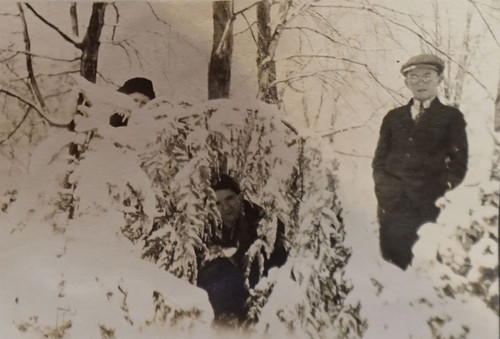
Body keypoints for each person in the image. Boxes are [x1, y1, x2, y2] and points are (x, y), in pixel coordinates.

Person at [372, 54, 468, 270]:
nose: (420, 82)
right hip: (394, 208)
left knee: (427, 271)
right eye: (414, 77)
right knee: (394, 269)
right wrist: (386, 191)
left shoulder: (451, 117)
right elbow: (379, 162)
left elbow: (458, 165)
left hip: (430, 209)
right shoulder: (393, 118)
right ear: (406, 82)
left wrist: (441, 189)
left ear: (439, 79)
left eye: (427, 77)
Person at [197, 174, 288, 326]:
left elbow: (276, 263)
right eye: (218, 203)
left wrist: (230, 254)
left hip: (259, 291)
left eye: (230, 199)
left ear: (240, 197)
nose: (225, 208)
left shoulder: (261, 220)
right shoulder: (209, 227)